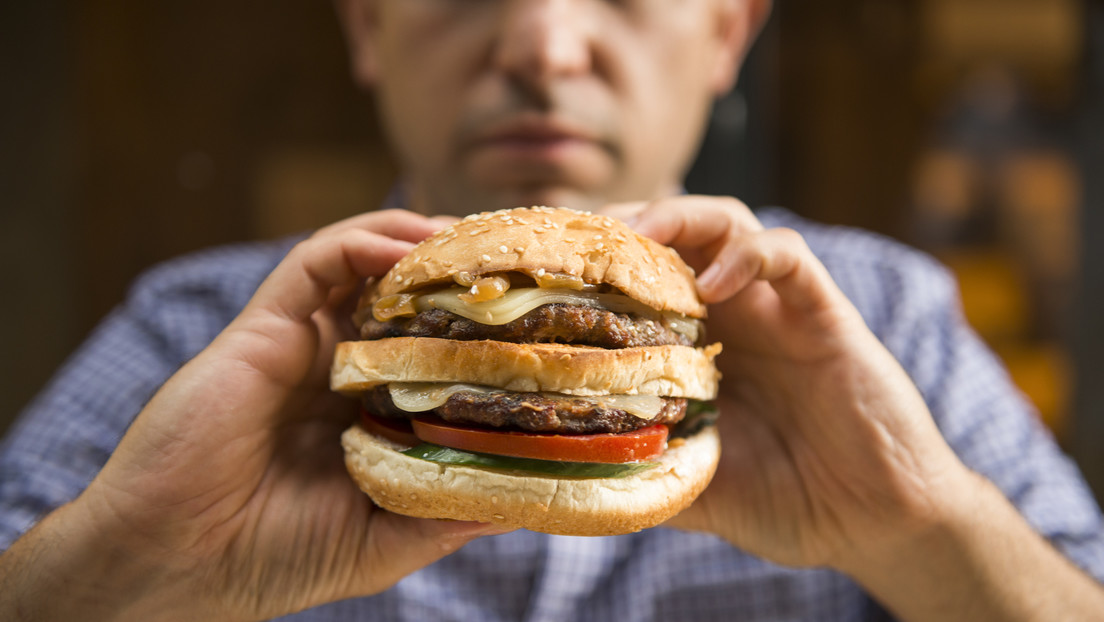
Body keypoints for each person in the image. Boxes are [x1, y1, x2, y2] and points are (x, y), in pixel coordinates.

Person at [1, 0, 1102, 619]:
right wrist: (129, 563)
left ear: (727, 33)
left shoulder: (887, 320)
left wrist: (922, 530)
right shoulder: (191, 332)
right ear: (367, 29)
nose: (543, 46)